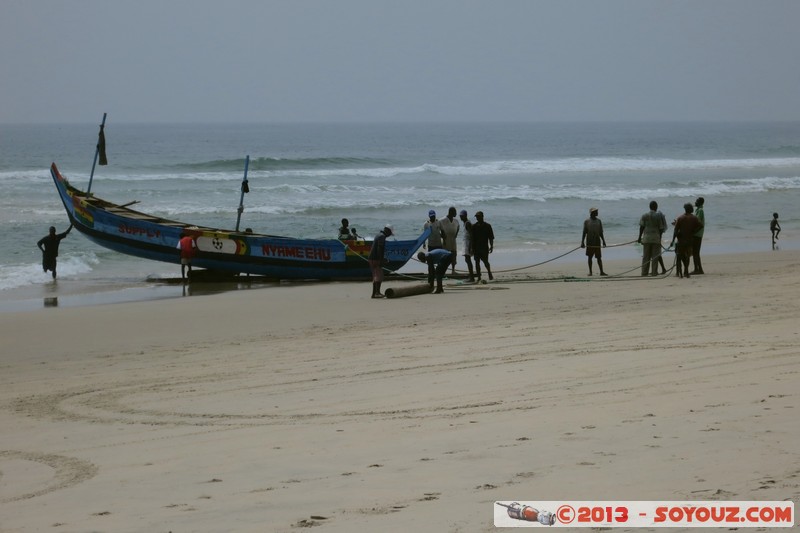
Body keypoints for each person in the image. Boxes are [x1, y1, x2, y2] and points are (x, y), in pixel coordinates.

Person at [671, 203, 701, 279]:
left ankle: (679, 272)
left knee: (679, 256)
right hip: (690, 240)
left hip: (681, 240)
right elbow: (701, 226)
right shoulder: (694, 218)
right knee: (687, 256)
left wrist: (673, 240)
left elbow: (676, 230)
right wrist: (694, 231)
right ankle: (686, 272)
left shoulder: (680, 218)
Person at [638, 200, 666, 277]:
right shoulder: (658, 216)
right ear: (656, 207)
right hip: (656, 238)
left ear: (649, 207)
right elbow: (661, 228)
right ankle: (654, 272)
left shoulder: (644, 215)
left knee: (646, 256)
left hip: (646, 238)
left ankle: (644, 273)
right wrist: (659, 238)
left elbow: (641, 227)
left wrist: (639, 237)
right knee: (655, 257)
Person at [368, 224, 393, 298]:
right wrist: (381, 260)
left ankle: (374, 293)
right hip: (375, 258)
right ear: (388, 231)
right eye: (390, 233)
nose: (389, 235)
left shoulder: (379, 235)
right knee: (379, 275)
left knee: (375, 275)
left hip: (372, 258)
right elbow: (380, 249)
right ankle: (377, 293)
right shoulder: (382, 236)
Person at [580, 207, 607, 276]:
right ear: (592, 213)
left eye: (597, 211)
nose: (597, 212)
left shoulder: (599, 221)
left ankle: (601, 272)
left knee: (599, 258)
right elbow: (584, 232)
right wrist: (582, 242)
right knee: (590, 257)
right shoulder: (587, 221)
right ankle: (590, 272)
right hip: (590, 242)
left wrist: (603, 241)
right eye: (596, 211)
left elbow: (601, 232)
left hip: (597, 242)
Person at [472, 211, 494, 281]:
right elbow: (472, 238)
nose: (477, 218)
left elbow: (491, 237)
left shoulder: (488, 226)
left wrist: (491, 246)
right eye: (476, 217)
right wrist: (472, 248)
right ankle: (479, 276)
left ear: (482, 217)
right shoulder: (474, 226)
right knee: (477, 263)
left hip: (484, 247)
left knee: (486, 262)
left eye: (478, 217)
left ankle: (489, 273)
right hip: (476, 248)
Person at [439, 206, 460, 274]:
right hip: (445, 241)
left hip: (453, 241)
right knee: (445, 256)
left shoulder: (456, 221)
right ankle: (443, 270)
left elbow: (458, 227)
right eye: (455, 212)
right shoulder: (442, 220)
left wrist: (456, 234)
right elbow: (437, 229)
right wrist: (441, 235)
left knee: (454, 255)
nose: (456, 214)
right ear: (451, 212)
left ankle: (453, 270)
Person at [459, 209, 475, 282]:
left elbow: (472, 235)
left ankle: (471, 277)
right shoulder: (465, 223)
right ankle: (471, 276)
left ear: (465, 216)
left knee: (468, 260)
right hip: (466, 242)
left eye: (462, 216)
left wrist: (470, 246)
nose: (461, 217)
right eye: (460, 216)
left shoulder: (467, 223)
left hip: (468, 243)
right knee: (467, 260)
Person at [691, 197, 705, 275]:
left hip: (697, 234)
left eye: (696, 201)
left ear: (700, 203)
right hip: (697, 234)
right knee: (696, 252)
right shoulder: (698, 210)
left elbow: (699, 223)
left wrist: (693, 231)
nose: (695, 202)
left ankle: (697, 269)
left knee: (695, 252)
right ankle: (699, 269)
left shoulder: (700, 211)